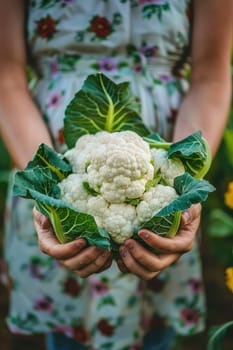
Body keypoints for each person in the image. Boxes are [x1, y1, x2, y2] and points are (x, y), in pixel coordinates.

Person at [0, 1, 232, 349]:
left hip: (164, 162)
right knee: (67, 331)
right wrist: (48, 195)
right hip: (41, 144)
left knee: (156, 326)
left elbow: (210, 74)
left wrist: (184, 190)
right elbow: (6, 77)